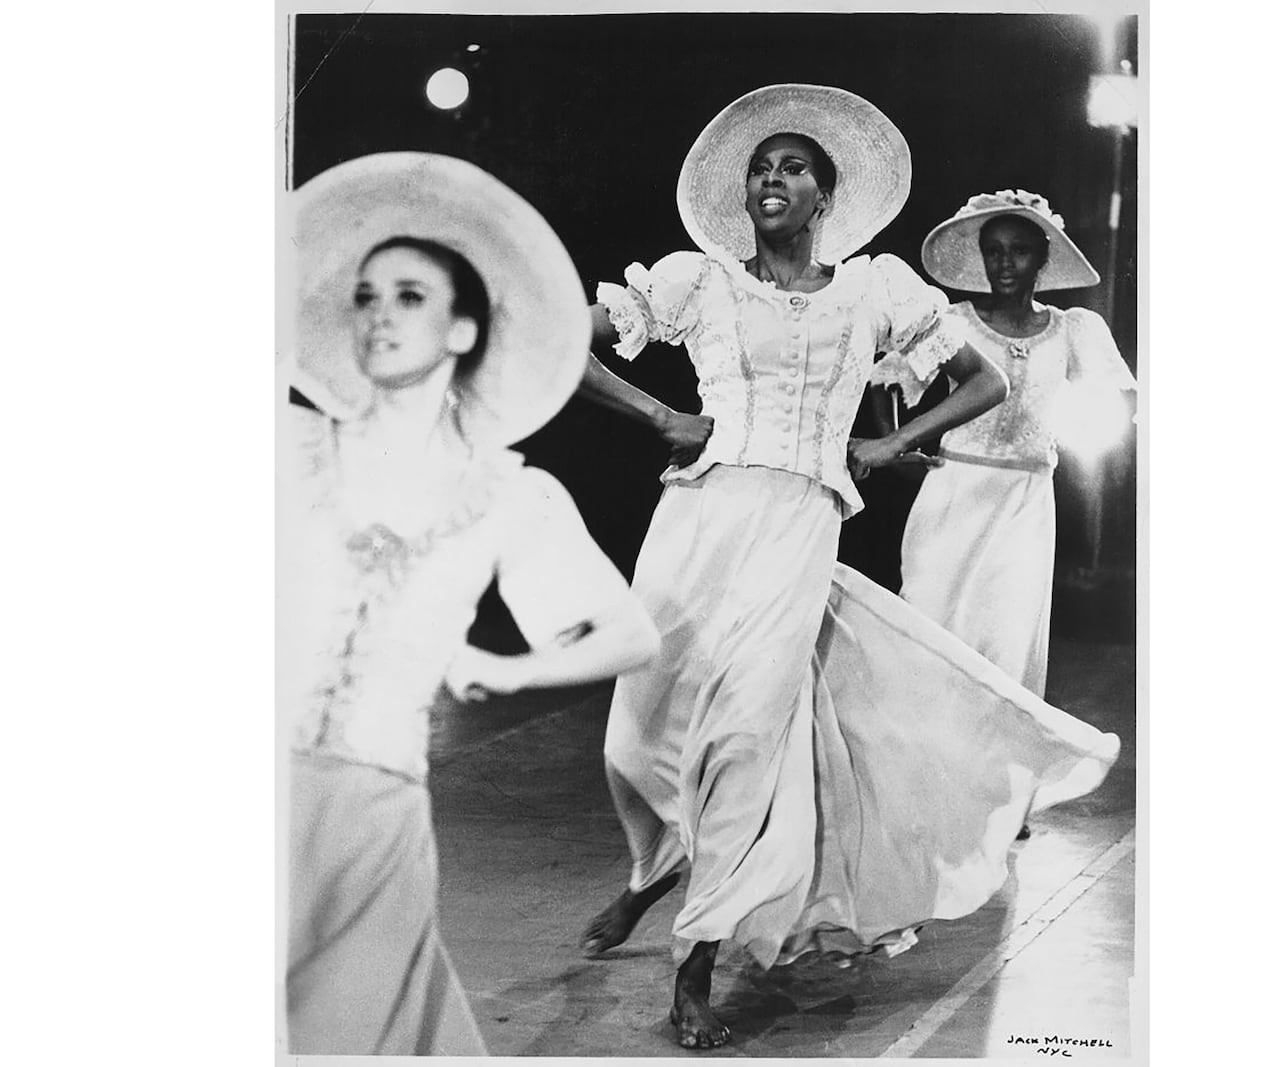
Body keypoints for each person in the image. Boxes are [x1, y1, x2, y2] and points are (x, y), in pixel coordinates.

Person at [574, 85, 1123, 1051]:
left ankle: (694, 964)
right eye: (761, 167)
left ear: (826, 195)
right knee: (639, 738)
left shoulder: (876, 290)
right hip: (697, 525)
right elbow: (563, 343)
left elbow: (985, 379)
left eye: (792, 168)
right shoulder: (695, 281)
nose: (771, 179)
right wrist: (660, 415)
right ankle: (648, 875)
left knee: (748, 737)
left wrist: (888, 444)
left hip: (798, 524)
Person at [279, 152, 661, 1055]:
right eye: (365, 296)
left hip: (373, 815)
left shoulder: (506, 496)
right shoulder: (285, 447)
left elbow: (629, 633)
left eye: (410, 296)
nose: (378, 315)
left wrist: (509, 665)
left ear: (462, 331)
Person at [881, 190, 1136, 698]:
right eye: (993, 250)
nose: (1004, 262)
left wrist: (1069, 434)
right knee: (929, 630)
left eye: (1018, 250)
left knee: (1005, 643)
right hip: (951, 496)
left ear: (1042, 257)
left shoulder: (1074, 329)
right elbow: (889, 378)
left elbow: (1116, 406)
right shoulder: (952, 322)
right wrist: (897, 446)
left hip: (1025, 504)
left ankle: (986, 776)